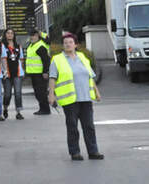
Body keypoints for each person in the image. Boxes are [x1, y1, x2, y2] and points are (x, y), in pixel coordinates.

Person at [48, 32, 104, 161]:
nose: (68, 44)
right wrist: (51, 94)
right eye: (65, 43)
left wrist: (96, 91)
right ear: (63, 45)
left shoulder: (82, 57)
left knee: (89, 126)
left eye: (70, 42)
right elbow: (52, 78)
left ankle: (93, 151)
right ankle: (75, 152)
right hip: (70, 100)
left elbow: (90, 76)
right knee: (72, 127)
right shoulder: (57, 59)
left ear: (75, 44)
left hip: (85, 98)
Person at [25, 30, 51, 115]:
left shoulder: (40, 46)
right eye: (31, 36)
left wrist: (45, 72)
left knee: (41, 93)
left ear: (38, 36)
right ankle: (42, 108)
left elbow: (46, 60)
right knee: (37, 92)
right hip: (33, 73)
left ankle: (46, 110)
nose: (32, 37)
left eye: (34, 35)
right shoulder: (31, 46)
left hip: (40, 74)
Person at [1, 28, 24, 120]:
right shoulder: (2, 46)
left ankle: (18, 112)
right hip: (6, 73)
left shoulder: (18, 46)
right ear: (5, 35)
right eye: (8, 33)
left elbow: (21, 59)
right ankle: (5, 108)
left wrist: (22, 70)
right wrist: (3, 71)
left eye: (11, 33)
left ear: (14, 35)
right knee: (7, 94)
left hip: (17, 73)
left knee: (18, 93)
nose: (10, 35)